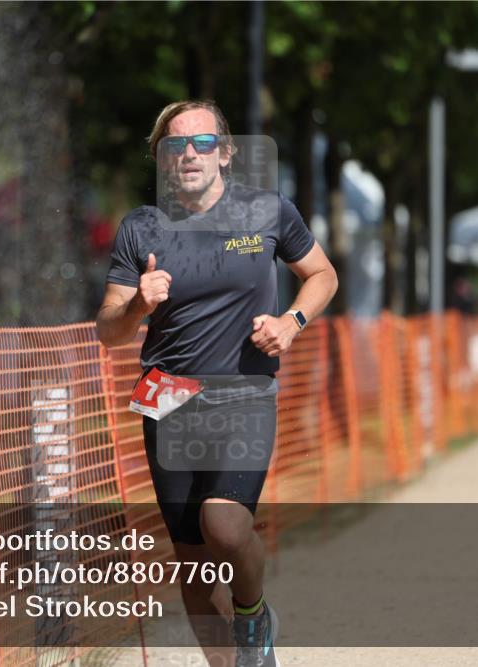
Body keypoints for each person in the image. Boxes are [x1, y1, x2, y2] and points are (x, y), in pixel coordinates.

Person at [96, 100, 338, 667]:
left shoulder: (267, 213)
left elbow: (322, 274)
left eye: (202, 143)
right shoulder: (141, 227)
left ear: (225, 153)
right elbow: (107, 329)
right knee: (194, 564)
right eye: (176, 144)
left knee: (224, 526)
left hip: (243, 390)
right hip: (166, 395)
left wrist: (291, 322)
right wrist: (136, 304)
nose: (189, 155)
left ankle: (254, 614)